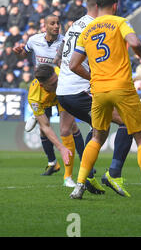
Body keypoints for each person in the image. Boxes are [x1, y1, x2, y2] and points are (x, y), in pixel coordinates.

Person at [68, 0, 141, 203]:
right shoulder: (120, 22)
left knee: (96, 138)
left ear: (96, 5)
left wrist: (94, 75)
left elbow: (73, 64)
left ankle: (79, 186)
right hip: (122, 87)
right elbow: (135, 43)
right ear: (115, 4)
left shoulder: (87, 30)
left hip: (99, 90)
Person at [54, 0, 134, 197]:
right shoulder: (96, 27)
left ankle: (87, 175)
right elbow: (75, 65)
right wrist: (92, 78)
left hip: (64, 90)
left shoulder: (75, 25)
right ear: (101, 6)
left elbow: (59, 58)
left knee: (100, 128)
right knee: (127, 122)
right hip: (79, 89)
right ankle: (113, 174)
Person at [13, 14, 86, 182]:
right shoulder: (33, 40)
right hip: (43, 88)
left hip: (61, 86)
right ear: (44, 26)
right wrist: (19, 54)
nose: (56, 26)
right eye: (52, 23)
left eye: (58, 23)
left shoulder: (65, 41)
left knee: (69, 126)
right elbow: (25, 54)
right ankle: (53, 162)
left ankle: (84, 161)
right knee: (43, 128)